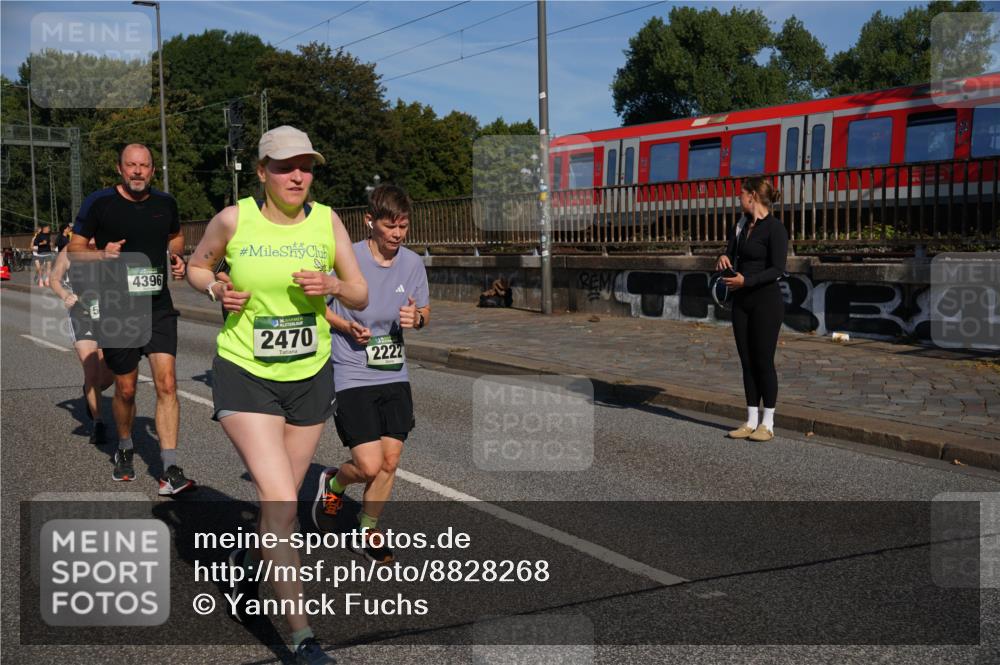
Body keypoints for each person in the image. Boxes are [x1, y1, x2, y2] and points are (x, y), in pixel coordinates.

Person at [187, 125, 367, 665]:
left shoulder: (327, 219)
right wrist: (216, 286)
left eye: (306, 166)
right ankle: (302, 638)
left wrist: (333, 286)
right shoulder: (232, 218)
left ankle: (246, 559)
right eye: (286, 166)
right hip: (246, 372)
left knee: (278, 509)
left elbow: (359, 289)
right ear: (262, 170)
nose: (298, 176)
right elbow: (197, 266)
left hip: (310, 378)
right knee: (282, 502)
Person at [312, 184, 430, 565]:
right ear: (370, 221)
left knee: (391, 461)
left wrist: (418, 319)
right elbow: (317, 308)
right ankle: (334, 482)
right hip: (351, 371)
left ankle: (367, 528)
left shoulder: (412, 264)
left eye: (403, 227)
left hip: (393, 370)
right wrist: (344, 327)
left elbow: (424, 313)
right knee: (367, 465)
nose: (397, 234)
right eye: (389, 226)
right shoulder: (347, 260)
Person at [68, 143, 192, 492]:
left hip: (157, 306)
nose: (138, 171)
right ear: (120, 169)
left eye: (145, 165)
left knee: (167, 383)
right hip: (116, 308)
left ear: (153, 170)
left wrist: (176, 255)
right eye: (131, 165)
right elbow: (76, 250)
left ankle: (170, 467)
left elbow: (176, 235)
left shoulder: (165, 203)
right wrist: (100, 252)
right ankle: (125, 446)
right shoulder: (99, 202)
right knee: (125, 388)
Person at [716, 176, 788, 442]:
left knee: (763, 361)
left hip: (766, 302)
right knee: (746, 362)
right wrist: (724, 256)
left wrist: (748, 280)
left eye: (742, 194)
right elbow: (731, 253)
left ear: (753, 196)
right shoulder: (741, 225)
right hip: (741, 302)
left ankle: (768, 423)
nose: (739, 198)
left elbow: (778, 269)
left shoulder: (775, 229)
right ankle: (750, 421)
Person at [49, 239, 115, 444]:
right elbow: (54, 279)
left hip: (109, 315)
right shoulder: (70, 250)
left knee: (109, 376)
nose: (93, 238)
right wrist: (64, 294)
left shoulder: (110, 246)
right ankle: (98, 423)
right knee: (92, 372)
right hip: (81, 313)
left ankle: (89, 391)